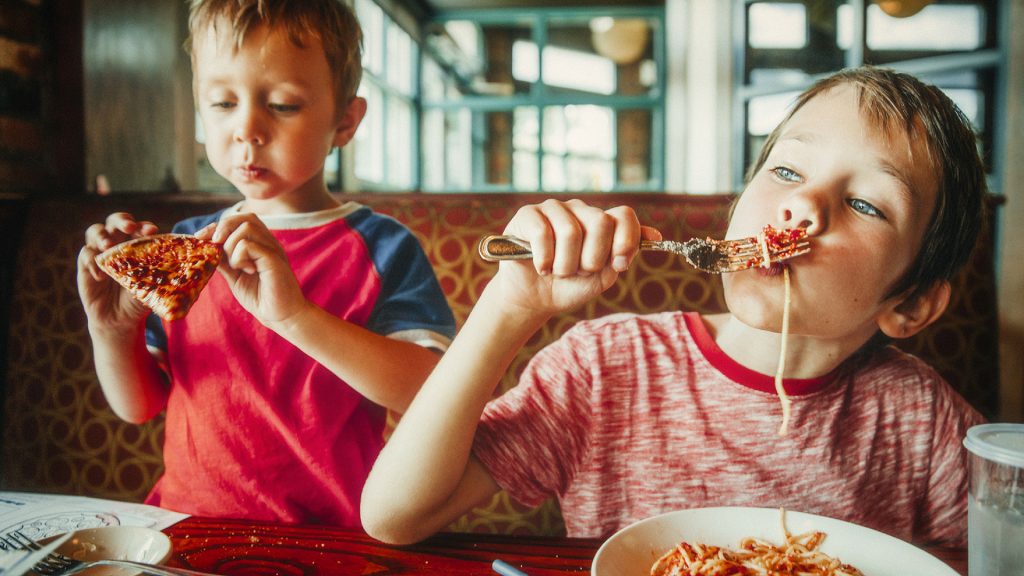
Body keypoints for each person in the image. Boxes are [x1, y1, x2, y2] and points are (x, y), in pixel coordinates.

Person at [360, 66, 988, 547]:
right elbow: (396, 515)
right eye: (788, 172)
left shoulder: (921, 418)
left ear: (909, 305)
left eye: (866, 204)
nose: (802, 208)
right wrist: (508, 306)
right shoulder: (605, 366)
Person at [76, 0, 455, 527]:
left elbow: (433, 391)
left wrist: (296, 317)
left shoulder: (382, 247)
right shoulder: (188, 247)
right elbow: (139, 406)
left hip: (331, 538)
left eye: (282, 105)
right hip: (184, 526)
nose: (247, 129)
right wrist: (112, 329)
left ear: (345, 120)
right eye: (223, 103)